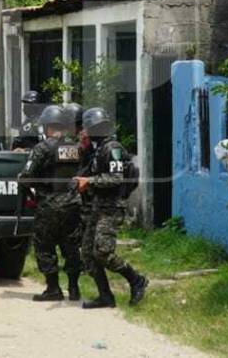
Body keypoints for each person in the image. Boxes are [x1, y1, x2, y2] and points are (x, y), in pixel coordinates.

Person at [75, 107, 147, 309]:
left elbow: (115, 179)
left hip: (112, 207)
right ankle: (105, 296)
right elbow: (84, 169)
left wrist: (89, 181)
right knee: (88, 254)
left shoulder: (112, 148)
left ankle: (136, 280)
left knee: (103, 253)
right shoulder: (96, 149)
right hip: (98, 206)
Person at [18, 104, 83, 302]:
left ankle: (53, 288)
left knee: (44, 245)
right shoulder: (75, 147)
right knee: (70, 247)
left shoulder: (43, 147)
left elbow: (27, 176)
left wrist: (24, 181)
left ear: (47, 127)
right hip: (73, 204)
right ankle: (73, 288)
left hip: (50, 205)